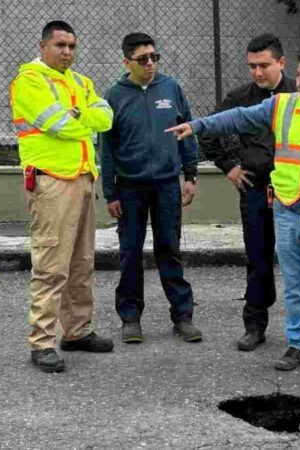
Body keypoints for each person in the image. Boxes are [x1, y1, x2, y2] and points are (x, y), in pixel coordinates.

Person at [167, 51, 300, 379]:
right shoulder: (282, 105)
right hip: (287, 210)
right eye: (299, 74)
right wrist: (197, 126)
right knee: (293, 284)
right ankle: (298, 344)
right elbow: (237, 117)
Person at [199, 33, 300, 353]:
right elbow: (209, 130)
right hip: (255, 189)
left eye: (264, 65)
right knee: (257, 259)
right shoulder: (240, 97)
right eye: (252, 66)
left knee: (297, 260)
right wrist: (229, 166)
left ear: (281, 63)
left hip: (294, 192)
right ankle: (254, 325)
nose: (257, 72)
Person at [10, 20, 116, 373]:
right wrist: (80, 117)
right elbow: (61, 125)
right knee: (51, 265)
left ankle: (77, 331)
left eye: (71, 46)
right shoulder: (29, 81)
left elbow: (107, 117)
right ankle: (42, 342)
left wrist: (78, 115)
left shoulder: (81, 82)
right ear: (43, 47)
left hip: (84, 179)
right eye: (60, 45)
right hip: (52, 183)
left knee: (81, 263)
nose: (67, 52)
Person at [100, 32, 202, 344]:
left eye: (154, 57)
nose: (150, 64)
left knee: (169, 249)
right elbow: (107, 148)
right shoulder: (114, 96)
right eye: (142, 59)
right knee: (130, 253)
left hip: (167, 185)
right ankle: (130, 318)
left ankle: (182, 316)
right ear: (126, 62)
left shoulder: (171, 88)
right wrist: (110, 192)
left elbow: (186, 132)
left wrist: (191, 175)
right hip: (129, 188)